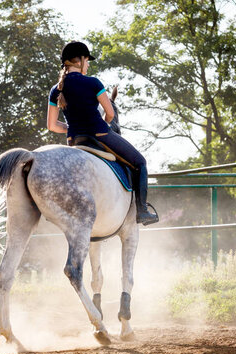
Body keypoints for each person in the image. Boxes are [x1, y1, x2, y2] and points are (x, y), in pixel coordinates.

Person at [47, 41, 158, 225]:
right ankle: (143, 211)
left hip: (74, 140)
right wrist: (101, 125)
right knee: (140, 162)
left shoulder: (56, 89)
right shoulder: (93, 82)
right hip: (100, 134)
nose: (88, 64)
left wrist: (74, 126)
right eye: (87, 60)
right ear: (80, 60)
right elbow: (110, 113)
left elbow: (52, 125)